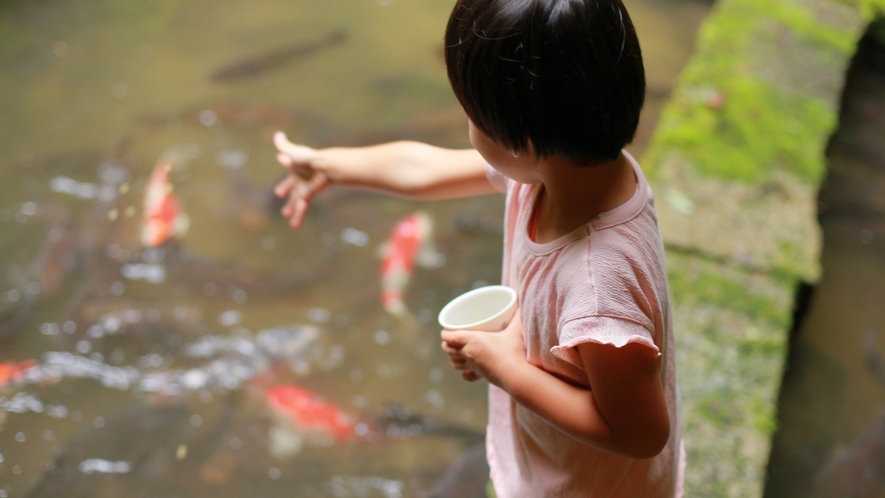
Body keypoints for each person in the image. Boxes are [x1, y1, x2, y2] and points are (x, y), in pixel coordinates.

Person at [272, 0, 684, 495]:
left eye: (471, 116)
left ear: (519, 141)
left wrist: (506, 367)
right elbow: (421, 170)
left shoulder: (599, 282)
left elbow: (640, 434)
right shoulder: (564, 169)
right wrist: (331, 166)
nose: (468, 128)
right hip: (553, 465)